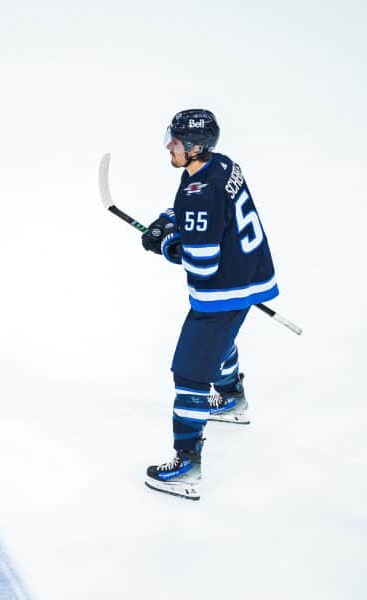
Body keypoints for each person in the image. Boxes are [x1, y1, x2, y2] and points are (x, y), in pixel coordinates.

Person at [140, 109, 278, 500]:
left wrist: (167, 244)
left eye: (176, 141)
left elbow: (202, 263)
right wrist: (167, 221)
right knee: (220, 340)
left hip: (224, 290)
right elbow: (193, 209)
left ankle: (186, 465)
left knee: (190, 369)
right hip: (250, 272)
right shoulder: (220, 166)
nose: (169, 146)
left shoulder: (199, 192)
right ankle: (231, 399)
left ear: (196, 146)